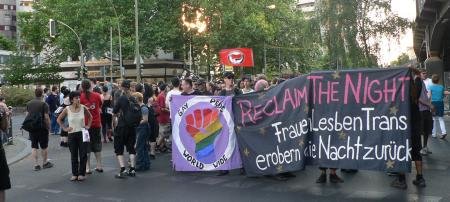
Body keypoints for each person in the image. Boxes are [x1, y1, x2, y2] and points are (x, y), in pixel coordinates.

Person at [391, 68, 426, 189]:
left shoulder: (400, 94)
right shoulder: (416, 90)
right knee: (416, 152)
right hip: (415, 127)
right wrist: (411, 69)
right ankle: (420, 178)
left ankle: (401, 179)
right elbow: (418, 75)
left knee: (402, 151)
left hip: (403, 128)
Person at [57, 91, 93, 181]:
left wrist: (88, 126)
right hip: (72, 134)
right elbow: (59, 119)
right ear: (72, 99)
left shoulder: (83, 107)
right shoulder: (67, 109)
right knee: (73, 154)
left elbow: (90, 117)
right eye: (76, 98)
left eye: (79, 97)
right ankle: (74, 174)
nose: (78, 99)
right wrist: (65, 129)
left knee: (83, 154)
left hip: (82, 133)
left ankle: (81, 173)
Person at [113, 80, 138, 178]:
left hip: (122, 126)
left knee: (119, 149)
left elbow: (114, 111)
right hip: (132, 127)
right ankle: (132, 169)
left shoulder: (121, 98)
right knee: (131, 148)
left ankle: (123, 169)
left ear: (122, 87)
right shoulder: (133, 98)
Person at [26, 87, 53, 171]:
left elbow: (27, 116)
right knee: (44, 146)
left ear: (35, 93)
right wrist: (49, 128)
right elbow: (46, 117)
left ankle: (36, 165)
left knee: (34, 146)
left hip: (32, 128)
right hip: (42, 128)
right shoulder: (44, 104)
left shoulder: (29, 103)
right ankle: (45, 163)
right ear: (42, 94)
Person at [80, 80, 104, 174]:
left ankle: (87, 168)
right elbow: (100, 105)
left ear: (82, 87)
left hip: (85, 126)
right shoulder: (97, 95)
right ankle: (99, 166)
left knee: (86, 146)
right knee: (97, 145)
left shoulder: (81, 97)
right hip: (96, 124)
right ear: (90, 86)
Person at [132, 92, 151, 171]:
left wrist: (136, 122)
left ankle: (140, 164)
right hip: (142, 128)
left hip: (143, 128)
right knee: (143, 146)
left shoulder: (143, 108)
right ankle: (146, 164)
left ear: (136, 99)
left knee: (139, 146)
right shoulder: (141, 107)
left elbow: (145, 120)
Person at [429, 74, 450, 139]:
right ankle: (444, 132)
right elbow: (443, 94)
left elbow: (429, 96)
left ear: (432, 80)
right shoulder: (441, 87)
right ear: (438, 80)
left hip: (433, 103)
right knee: (441, 118)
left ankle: (434, 134)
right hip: (440, 103)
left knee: (434, 119)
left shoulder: (431, 87)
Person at [418, 69, 434, 155]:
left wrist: (429, 104)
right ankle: (420, 148)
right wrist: (429, 104)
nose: (425, 75)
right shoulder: (418, 83)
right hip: (421, 110)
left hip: (426, 109)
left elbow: (425, 96)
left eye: (426, 73)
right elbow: (419, 98)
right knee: (422, 130)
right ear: (419, 74)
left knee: (427, 130)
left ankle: (425, 147)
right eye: (423, 73)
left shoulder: (423, 83)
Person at [156, 84, 171, 152]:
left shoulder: (161, 95)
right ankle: (157, 145)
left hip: (161, 116)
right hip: (164, 117)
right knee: (163, 133)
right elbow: (162, 108)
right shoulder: (162, 96)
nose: (168, 88)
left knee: (161, 132)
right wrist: (170, 111)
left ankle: (162, 146)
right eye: (167, 87)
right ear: (165, 88)